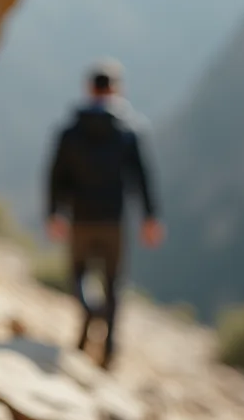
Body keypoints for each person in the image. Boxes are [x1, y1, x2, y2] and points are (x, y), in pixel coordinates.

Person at [44, 60, 163, 368]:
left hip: (80, 217)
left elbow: (56, 175)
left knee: (78, 277)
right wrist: (150, 217)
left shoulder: (70, 130)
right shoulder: (129, 130)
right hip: (114, 219)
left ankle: (87, 326)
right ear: (116, 89)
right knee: (113, 284)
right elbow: (142, 176)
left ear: (89, 89)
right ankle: (107, 351)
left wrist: (54, 213)